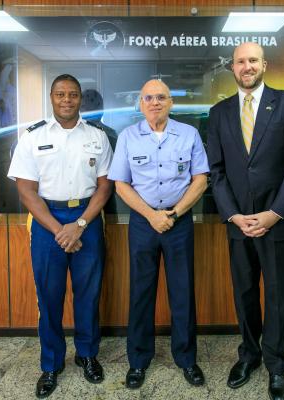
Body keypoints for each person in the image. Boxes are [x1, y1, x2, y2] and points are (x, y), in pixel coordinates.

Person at [207, 42, 284, 400]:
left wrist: (272, 214)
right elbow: (216, 172)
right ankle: (249, 355)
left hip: (278, 222)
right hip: (239, 224)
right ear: (232, 68)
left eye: (253, 60)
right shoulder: (219, 112)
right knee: (245, 293)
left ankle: (277, 364)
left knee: (279, 296)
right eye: (240, 61)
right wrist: (235, 216)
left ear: (264, 64)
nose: (247, 66)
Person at [7, 74, 113, 398]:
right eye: (60, 95)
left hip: (87, 218)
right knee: (48, 298)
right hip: (46, 221)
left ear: (80, 99)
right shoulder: (31, 137)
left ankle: (87, 355)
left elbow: (105, 186)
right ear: (51, 98)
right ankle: (51, 364)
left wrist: (78, 225)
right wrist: (59, 230)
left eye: (73, 95)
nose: (66, 100)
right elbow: (25, 191)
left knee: (89, 294)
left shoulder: (98, 137)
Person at [108, 79, 209, 389]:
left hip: (178, 222)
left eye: (161, 97)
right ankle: (138, 361)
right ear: (141, 103)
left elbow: (201, 179)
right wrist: (151, 215)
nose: (155, 102)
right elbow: (120, 184)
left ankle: (187, 359)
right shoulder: (128, 137)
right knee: (141, 292)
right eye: (148, 98)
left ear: (171, 103)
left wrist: (174, 214)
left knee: (183, 292)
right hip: (143, 222)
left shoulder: (189, 134)